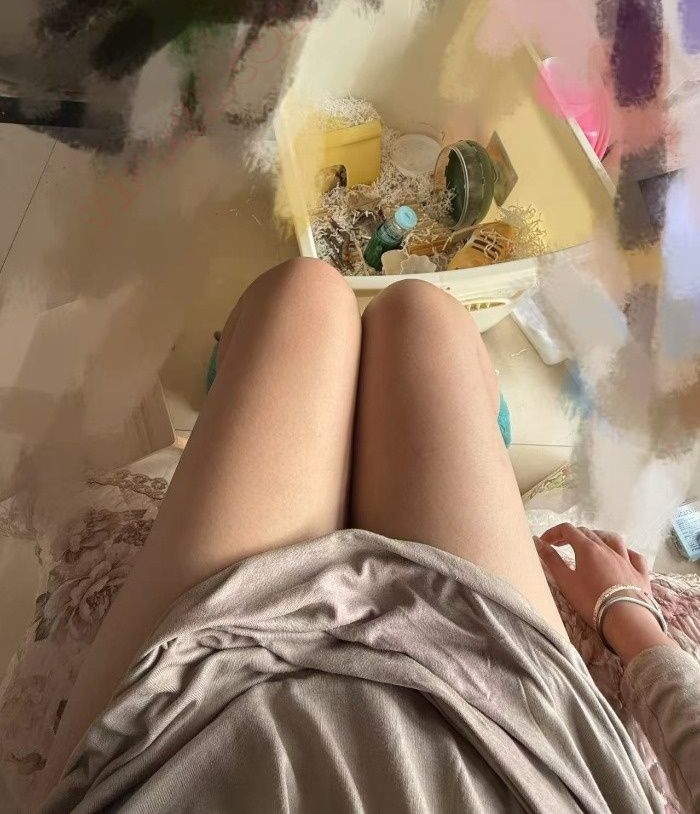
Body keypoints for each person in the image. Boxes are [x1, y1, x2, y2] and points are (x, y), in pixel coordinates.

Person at [41, 260, 699, 812]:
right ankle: (421, 428)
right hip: (517, 737)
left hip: (184, 731)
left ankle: (253, 393)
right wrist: (632, 619)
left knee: (302, 294)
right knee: (423, 312)